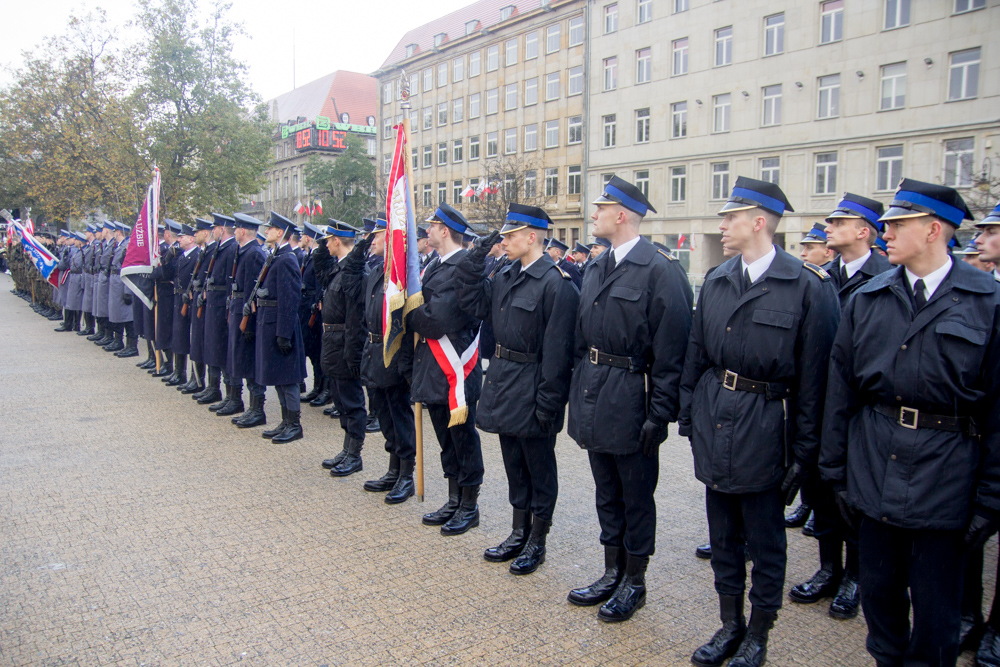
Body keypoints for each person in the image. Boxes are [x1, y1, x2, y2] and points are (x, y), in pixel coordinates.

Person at [819, 180, 1000, 667]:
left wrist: (990, 498)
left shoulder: (988, 300)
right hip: (875, 472)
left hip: (947, 480)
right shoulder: (869, 297)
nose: (886, 231)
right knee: (880, 604)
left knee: (938, 616)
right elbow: (841, 391)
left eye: (898, 224)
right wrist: (835, 471)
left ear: (935, 229)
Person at [679, 176, 839, 667]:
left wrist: (804, 455)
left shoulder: (806, 287)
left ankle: (759, 633)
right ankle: (730, 623)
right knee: (723, 537)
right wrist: (691, 418)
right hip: (718, 422)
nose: (722, 225)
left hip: (768, 427)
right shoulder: (719, 278)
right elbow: (697, 355)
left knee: (766, 543)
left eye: (730, 217)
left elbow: (817, 384)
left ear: (759, 221)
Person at [566, 176, 693, 622]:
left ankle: (634, 580)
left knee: (636, 495)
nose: (594, 214)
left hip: (632, 396)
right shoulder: (597, 266)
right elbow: (583, 339)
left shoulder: (661, 270)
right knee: (606, 490)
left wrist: (659, 416)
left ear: (621, 215)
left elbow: (673, 352)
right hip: (596, 392)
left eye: (601, 207)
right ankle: (610, 571)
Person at [455, 203, 580, 574]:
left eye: (511, 235)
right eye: (504, 235)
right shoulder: (505, 274)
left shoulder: (558, 284)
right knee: (513, 464)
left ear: (532, 237)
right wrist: (476, 255)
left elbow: (559, 354)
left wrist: (549, 404)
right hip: (505, 379)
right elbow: (471, 299)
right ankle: (517, 531)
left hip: (535, 384)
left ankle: (537, 539)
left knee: (539, 468)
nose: (504, 240)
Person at [789, 193, 891, 621]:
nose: (828, 226)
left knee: (856, 497)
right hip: (819, 399)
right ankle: (828, 568)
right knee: (821, 489)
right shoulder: (820, 276)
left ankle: (855, 577)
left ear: (864, 231)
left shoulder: (887, 277)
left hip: (861, 406)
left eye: (838, 221)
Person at [406, 203, 485, 536]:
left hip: (456, 371)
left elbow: (437, 320)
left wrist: (407, 313)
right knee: (445, 439)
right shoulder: (435, 264)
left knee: (463, 438)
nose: (428, 231)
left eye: (433, 226)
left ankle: (469, 504)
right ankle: (453, 498)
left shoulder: (461, 269)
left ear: (446, 231)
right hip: (434, 368)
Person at [345, 215, 418, 503]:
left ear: (390, 239)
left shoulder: (401, 276)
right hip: (374, 352)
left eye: (375, 236)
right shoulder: (376, 271)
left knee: (399, 417)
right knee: (385, 416)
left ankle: (406, 475)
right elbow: (352, 286)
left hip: (394, 354)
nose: (370, 240)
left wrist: (406, 362)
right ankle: (392, 469)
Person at [316, 220, 369, 476]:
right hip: (332, 343)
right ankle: (347, 448)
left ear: (337, 241)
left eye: (328, 240)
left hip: (345, 343)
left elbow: (356, 317)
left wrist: (353, 352)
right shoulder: (339, 268)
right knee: (339, 398)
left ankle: (355, 454)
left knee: (352, 401)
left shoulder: (354, 271)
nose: (326, 244)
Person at [255, 212, 306, 443]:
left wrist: (284, 333)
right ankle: (286, 421)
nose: (266, 232)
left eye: (270, 229)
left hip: (281, 324)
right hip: (271, 321)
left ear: (281, 232)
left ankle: (294, 424)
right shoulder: (276, 256)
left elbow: (290, 298)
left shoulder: (286, 259)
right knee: (278, 375)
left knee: (288, 378)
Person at [223, 213, 267, 426]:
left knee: (248, 361)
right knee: (239, 358)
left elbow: (252, 291)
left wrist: (249, 321)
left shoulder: (253, 253)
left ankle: (257, 409)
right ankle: (246, 405)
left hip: (246, 313)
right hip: (238, 308)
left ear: (242, 231)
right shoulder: (244, 252)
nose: (235, 231)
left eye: (237, 228)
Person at [197, 213, 237, 408]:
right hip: (214, 303)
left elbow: (231, 280)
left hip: (222, 305)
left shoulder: (230, 249)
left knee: (222, 349)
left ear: (222, 229)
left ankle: (231, 395)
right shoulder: (220, 249)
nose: (211, 231)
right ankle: (214, 388)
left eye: (215, 228)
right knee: (213, 346)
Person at [178, 218, 214, 394]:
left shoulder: (211, 251)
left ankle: (202, 381)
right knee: (196, 341)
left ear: (205, 233)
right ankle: (196, 378)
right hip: (197, 297)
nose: (194, 235)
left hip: (205, 300)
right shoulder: (204, 251)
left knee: (201, 342)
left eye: (197, 232)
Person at [163, 224, 200, 387]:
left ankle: (194, 376)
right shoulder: (181, 256)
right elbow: (167, 274)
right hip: (178, 297)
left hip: (190, 299)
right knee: (179, 336)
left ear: (191, 239)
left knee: (191, 337)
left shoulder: (197, 256)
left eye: (182, 237)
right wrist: (168, 257)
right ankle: (179, 372)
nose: (179, 240)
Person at [298, 223, 328, 405]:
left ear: (308, 238)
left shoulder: (318, 258)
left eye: (302, 235)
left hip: (315, 311)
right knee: (313, 352)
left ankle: (325, 389)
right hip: (307, 307)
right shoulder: (310, 257)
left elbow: (320, 285)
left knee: (319, 351)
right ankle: (317, 387)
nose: (300, 238)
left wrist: (317, 305)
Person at [107, 222, 138, 358]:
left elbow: (129, 270)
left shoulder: (127, 247)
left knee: (127, 316)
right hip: (116, 283)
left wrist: (127, 291)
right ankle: (118, 340)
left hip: (122, 284)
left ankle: (132, 346)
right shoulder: (119, 246)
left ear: (118, 232)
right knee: (117, 315)